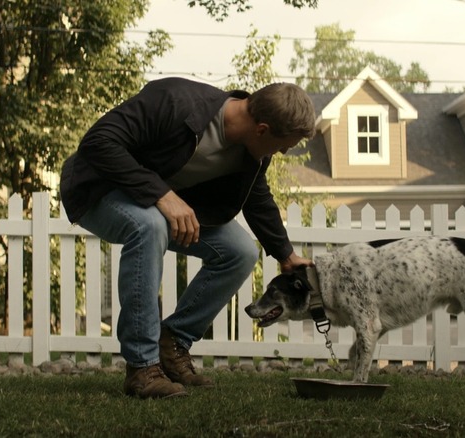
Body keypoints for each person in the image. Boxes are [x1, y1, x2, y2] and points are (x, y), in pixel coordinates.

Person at [59, 77, 316, 399]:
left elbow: (256, 197)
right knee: (149, 225)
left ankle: (174, 341)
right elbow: (98, 143)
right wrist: (162, 195)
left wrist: (285, 254)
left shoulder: (253, 152)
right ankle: (142, 367)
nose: (282, 152)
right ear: (262, 129)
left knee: (239, 252)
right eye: (284, 145)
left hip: (154, 204)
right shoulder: (175, 102)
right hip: (97, 190)